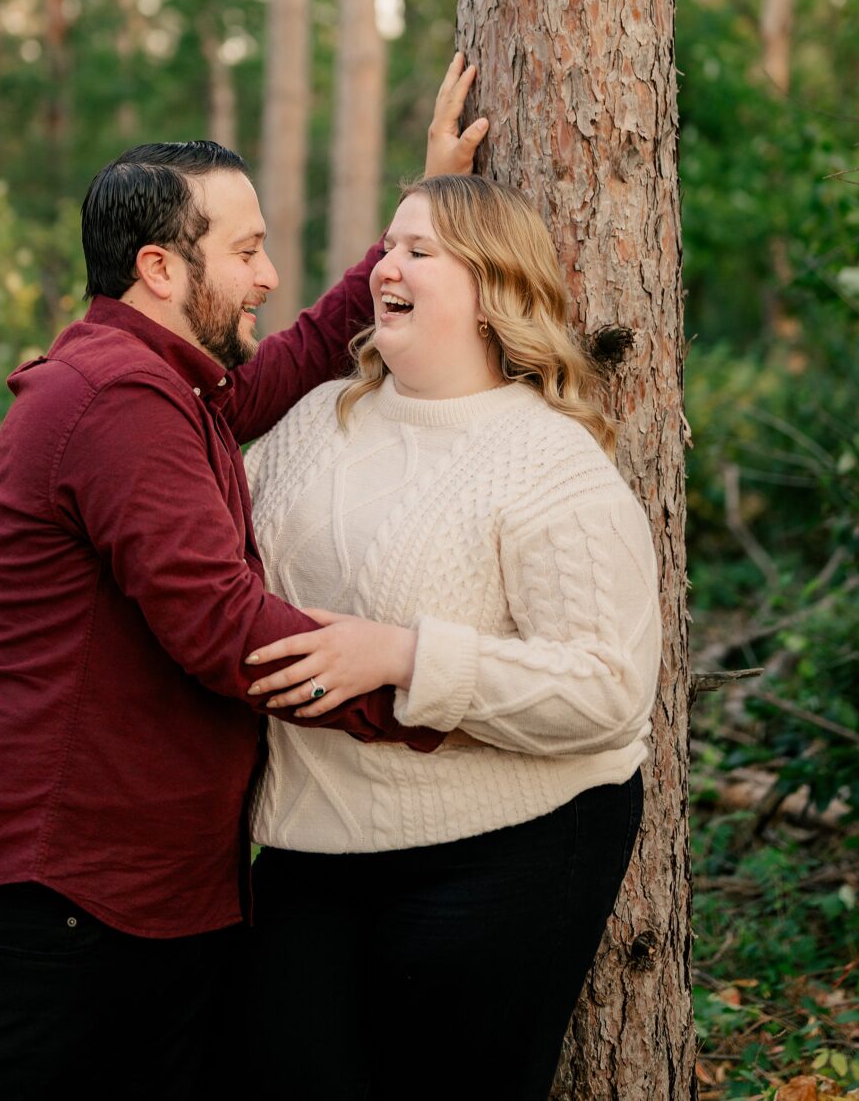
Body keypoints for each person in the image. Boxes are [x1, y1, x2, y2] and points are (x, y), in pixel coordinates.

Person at [0, 59, 488, 1101]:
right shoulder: (116, 400)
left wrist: (418, 215)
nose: (266, 277)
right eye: (248, 252)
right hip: (49, 903)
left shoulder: (168, 387)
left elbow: (288, 359)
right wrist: (437, 702)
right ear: (161, 268)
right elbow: (225, 628)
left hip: (132, 899)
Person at [242, 171, 661, 1101]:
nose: (385, 265)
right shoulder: (314, 420)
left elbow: (608, 688)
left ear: (492, 291)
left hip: (510, 844)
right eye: (388, 245)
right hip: (310, 837)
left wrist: (402, 657)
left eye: (417, 251)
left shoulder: (548, 459)